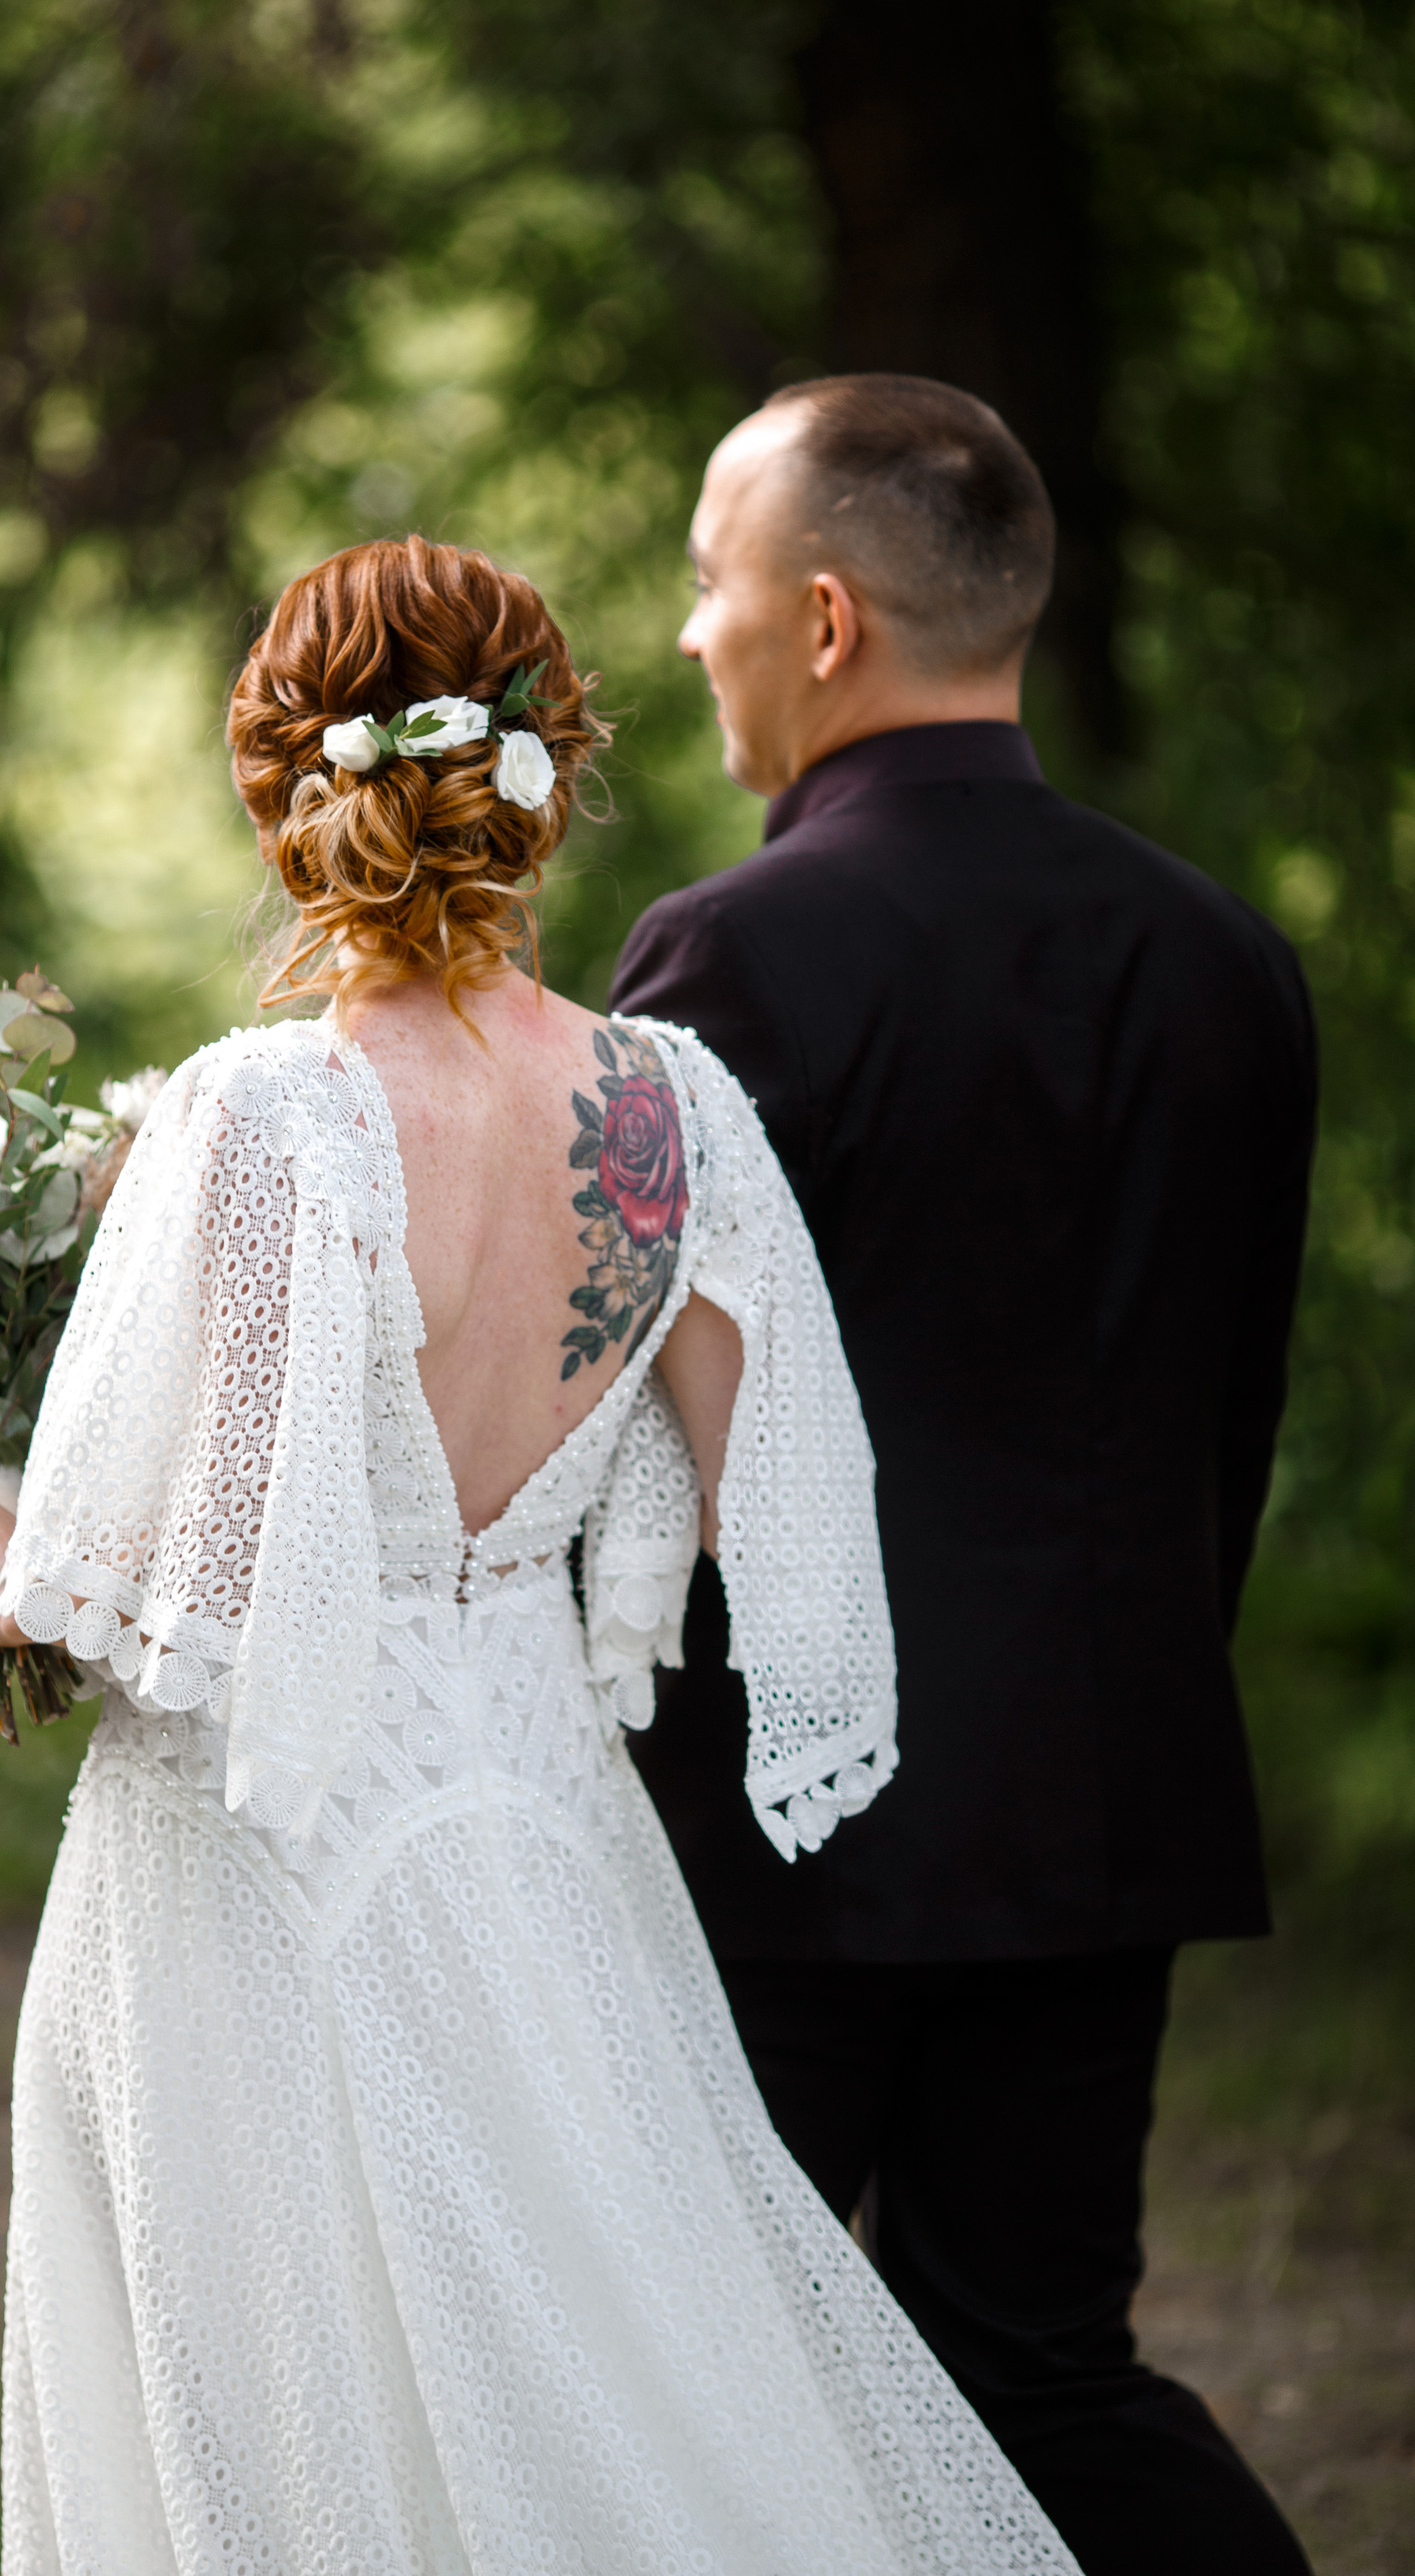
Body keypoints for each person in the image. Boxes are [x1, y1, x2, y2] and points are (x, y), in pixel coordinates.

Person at [0, 533, 1080, 2575]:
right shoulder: (675, 1111)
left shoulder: (255, 1116)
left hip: (253, 1868)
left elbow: (144, 1603)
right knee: (605, 2350)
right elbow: (758, 1512)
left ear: (290, 798)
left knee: (284, 2395)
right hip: (542, 1824)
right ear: (553, 770)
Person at [612, 377, 1317, 2576]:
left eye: (713, 580)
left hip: (786, 1823)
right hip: (1103, 1803)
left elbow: (628, 1415)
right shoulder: (1223, 959)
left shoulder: (731, 958)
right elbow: (1231, 1425)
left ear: (824, 620)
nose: (689, 630)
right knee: (1036, 2367)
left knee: (677, 2357)